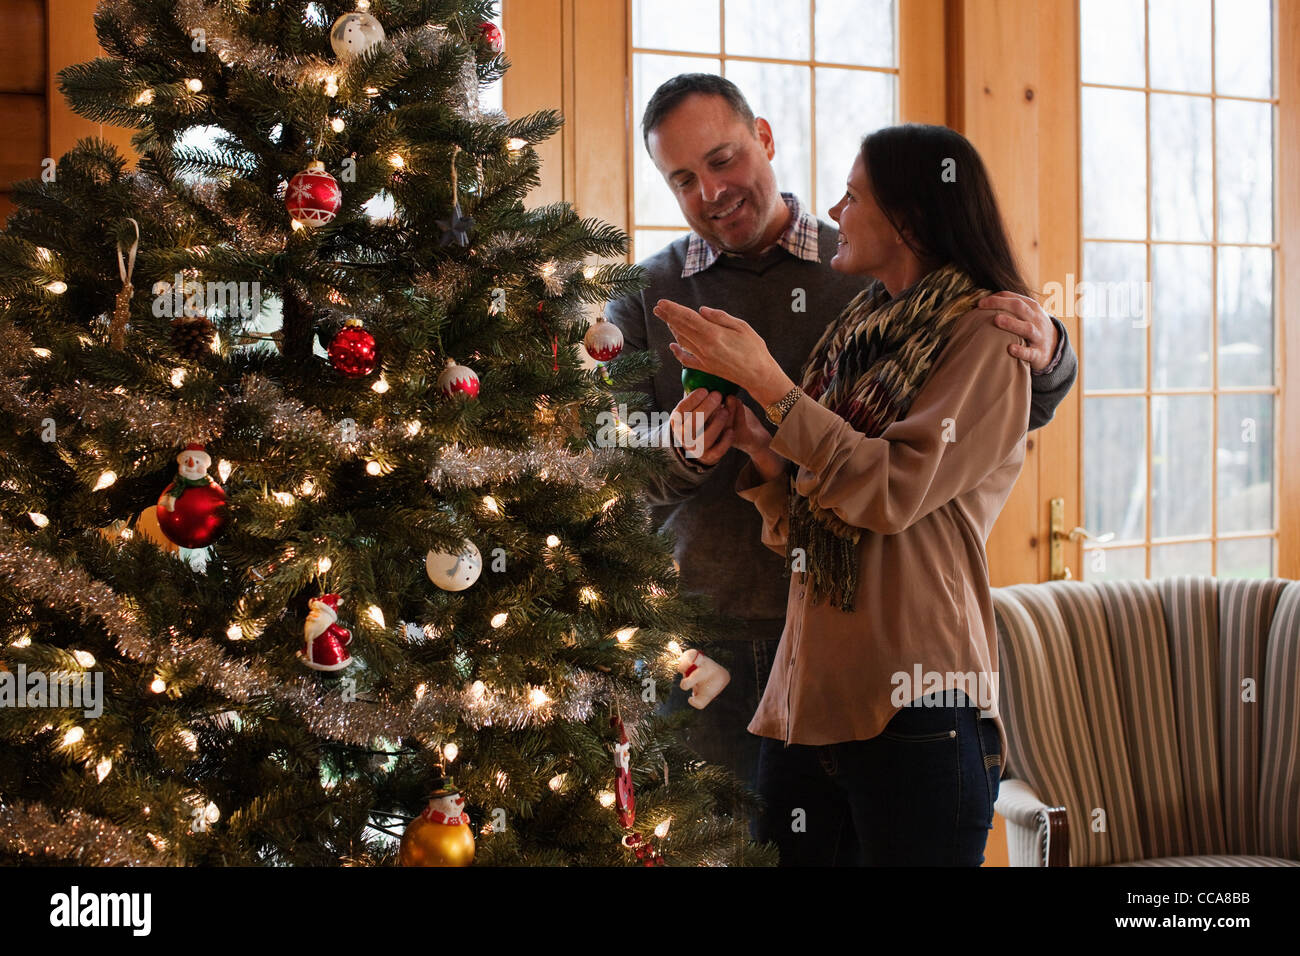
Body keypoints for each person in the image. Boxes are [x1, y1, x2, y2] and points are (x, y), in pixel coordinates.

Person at [605, 74, 1077, 793]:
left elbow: (987, 419)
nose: (712, 191)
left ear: (764, 138)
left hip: (855, 630)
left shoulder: (867, 260)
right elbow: (612, 470)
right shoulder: (646, 293)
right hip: (699, 636)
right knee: (717, 836)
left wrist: (1051, 352)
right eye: (683, 179)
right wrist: (682, 452)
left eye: (723, 159)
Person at [651, 122, 1032, 866]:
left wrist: (770, 383)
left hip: (914, 702)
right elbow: (820, 511)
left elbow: (889, 490)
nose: (834, 210)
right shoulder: (860, 331)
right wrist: (762, 449)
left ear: (910, 218)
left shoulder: (989, 333)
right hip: (806, 698)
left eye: (853, 197)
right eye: (681, 177)